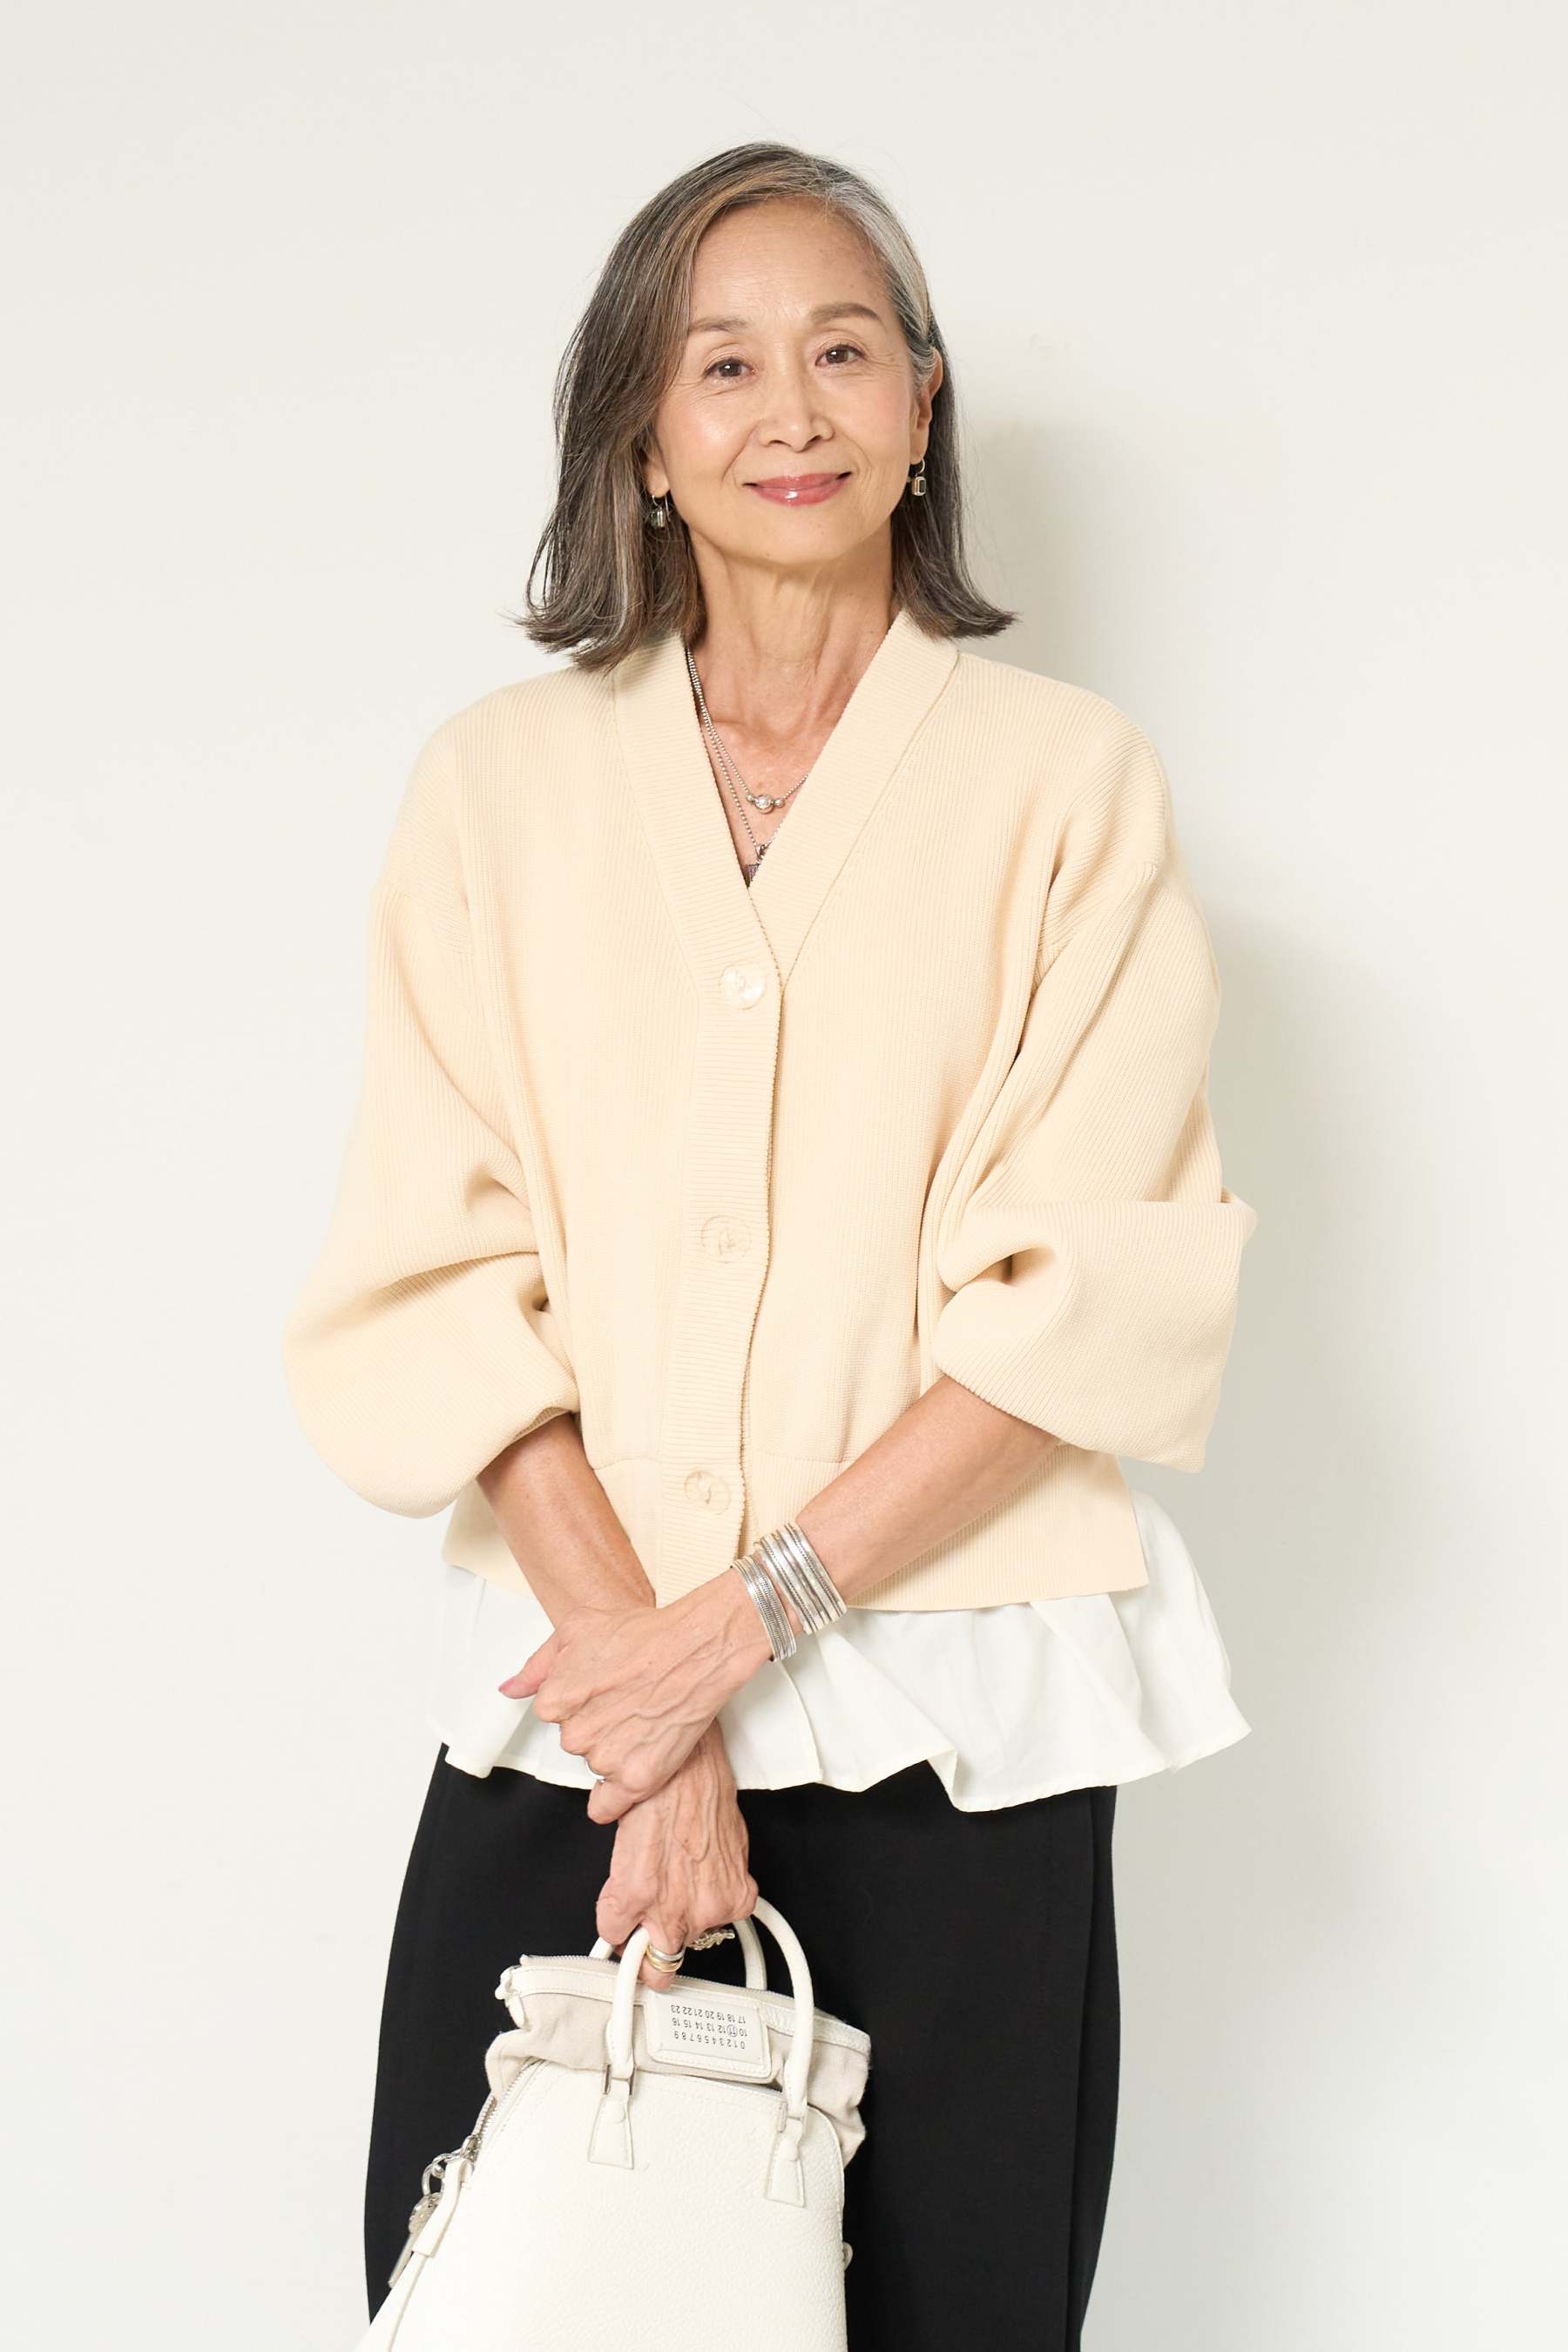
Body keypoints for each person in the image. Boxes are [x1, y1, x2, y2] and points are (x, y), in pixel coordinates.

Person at [281, 139, 1259, 2350]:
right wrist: (652, 1719)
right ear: (642, 437)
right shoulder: (496, 791)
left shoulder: (1065, 788)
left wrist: (730, 1635)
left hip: (955, 1738)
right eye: (723, 364)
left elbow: (1081, 1296)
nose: (790, 411)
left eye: (843, 351)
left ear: (921, 408)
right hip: (568, 1731)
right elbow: (444, 1281)